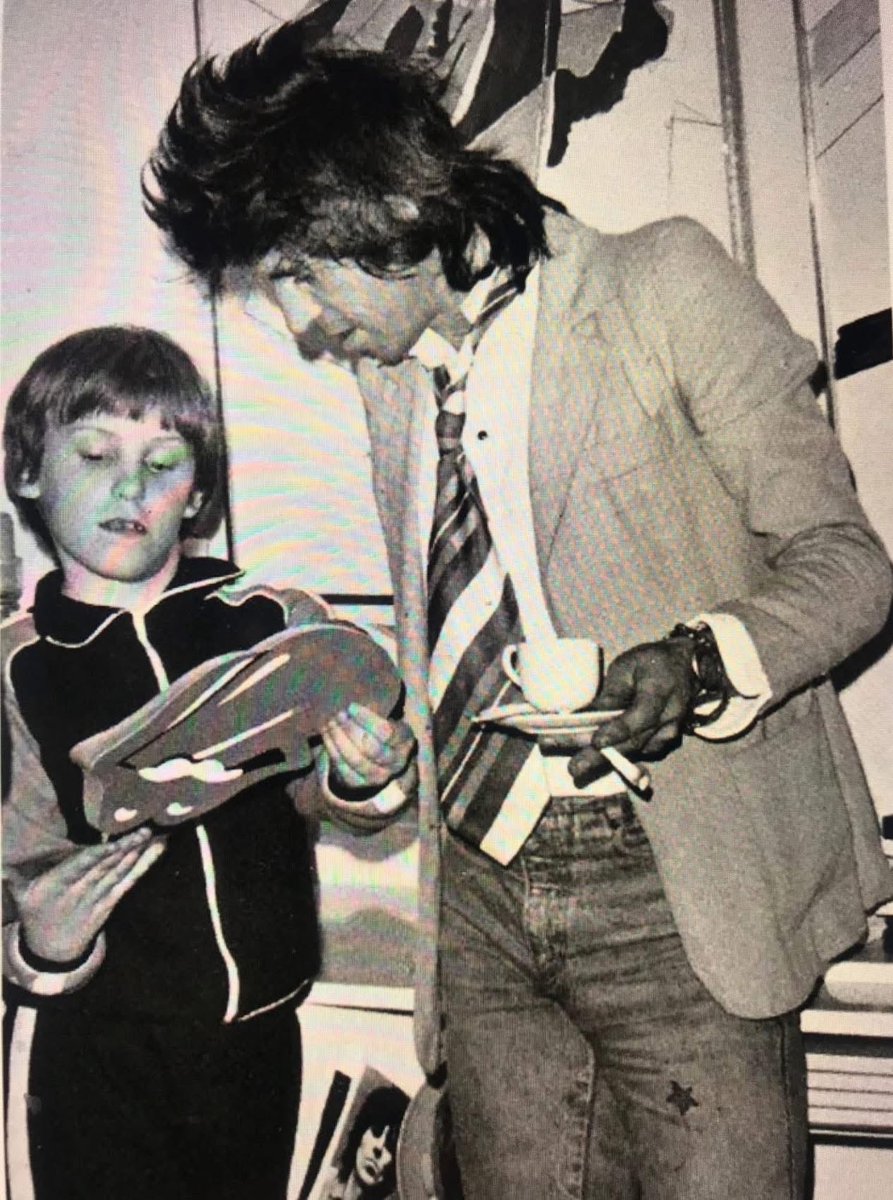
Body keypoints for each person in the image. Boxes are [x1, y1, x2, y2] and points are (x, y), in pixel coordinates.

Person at [143, 24, 893, 1199]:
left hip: (675, 891)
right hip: (481, 902)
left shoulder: (661, 283)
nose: (298, 327)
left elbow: (846, 565)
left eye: (295, 270)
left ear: (381, 201)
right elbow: (446, 633)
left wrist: (694, 666)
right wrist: (368, 766)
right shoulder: (389, 380)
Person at [1, 325, 416, 1200]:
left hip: (262, 1039)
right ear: (30, 472)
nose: (131, 485)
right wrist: (43, 946)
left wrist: (367, 772)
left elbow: (334, 793)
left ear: (198, 494)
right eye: (95, 452)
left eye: (165, 461)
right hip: (90, 1050)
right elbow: (15, 870)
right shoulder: (15, 668)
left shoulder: (275, 625)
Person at [319, 1084, 410, 1200]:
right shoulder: (321, 1180)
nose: (379, 1147)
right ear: (360, 1133)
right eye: (377, 1130)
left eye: (390, 1144)